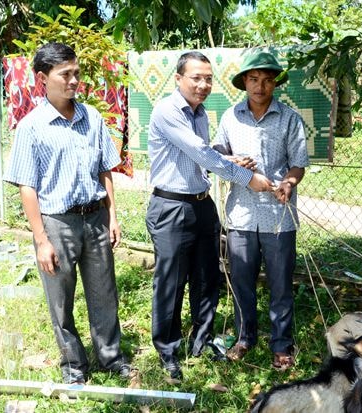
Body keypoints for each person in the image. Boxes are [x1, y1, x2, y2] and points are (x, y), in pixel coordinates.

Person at [4, 42, 132, 384]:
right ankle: (74, 365)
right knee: (60, 298)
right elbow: (27, 186)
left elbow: (106, 170)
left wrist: (113, 216)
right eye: (66, 74)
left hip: (95, 219)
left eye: (76, 73)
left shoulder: (91, 117)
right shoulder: (31, 126)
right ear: (44, 78)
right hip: (57, 223)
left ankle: (110, 356)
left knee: (104, 292)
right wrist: (41, 239)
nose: (74, 80)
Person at [146, 51, 274, 380]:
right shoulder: (167, 111)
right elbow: (199, 152)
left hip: (203, 205)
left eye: (208, 79)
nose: (203, 85)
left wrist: (229, 157)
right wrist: (248, 178)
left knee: (208, 278)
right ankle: (168, 350)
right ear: (178, 79)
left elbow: (205, 152)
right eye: (196, 78)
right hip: (172, 206)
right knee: (171, 282)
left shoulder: (200, 113)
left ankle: (200, 343)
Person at [213, 51, 309, 370]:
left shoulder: (290, 118)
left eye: (267, 80)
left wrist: (289, 182)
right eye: (254, 79)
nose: (260, 86)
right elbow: (216, 156)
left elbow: (298, 163)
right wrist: (231, 162)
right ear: (243, 83)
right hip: (240, 214)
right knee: (242, 281)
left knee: (281, 284)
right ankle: (244, 337)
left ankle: (281, 344)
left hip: (279, 215)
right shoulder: (230, 117)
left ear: (275, 84)